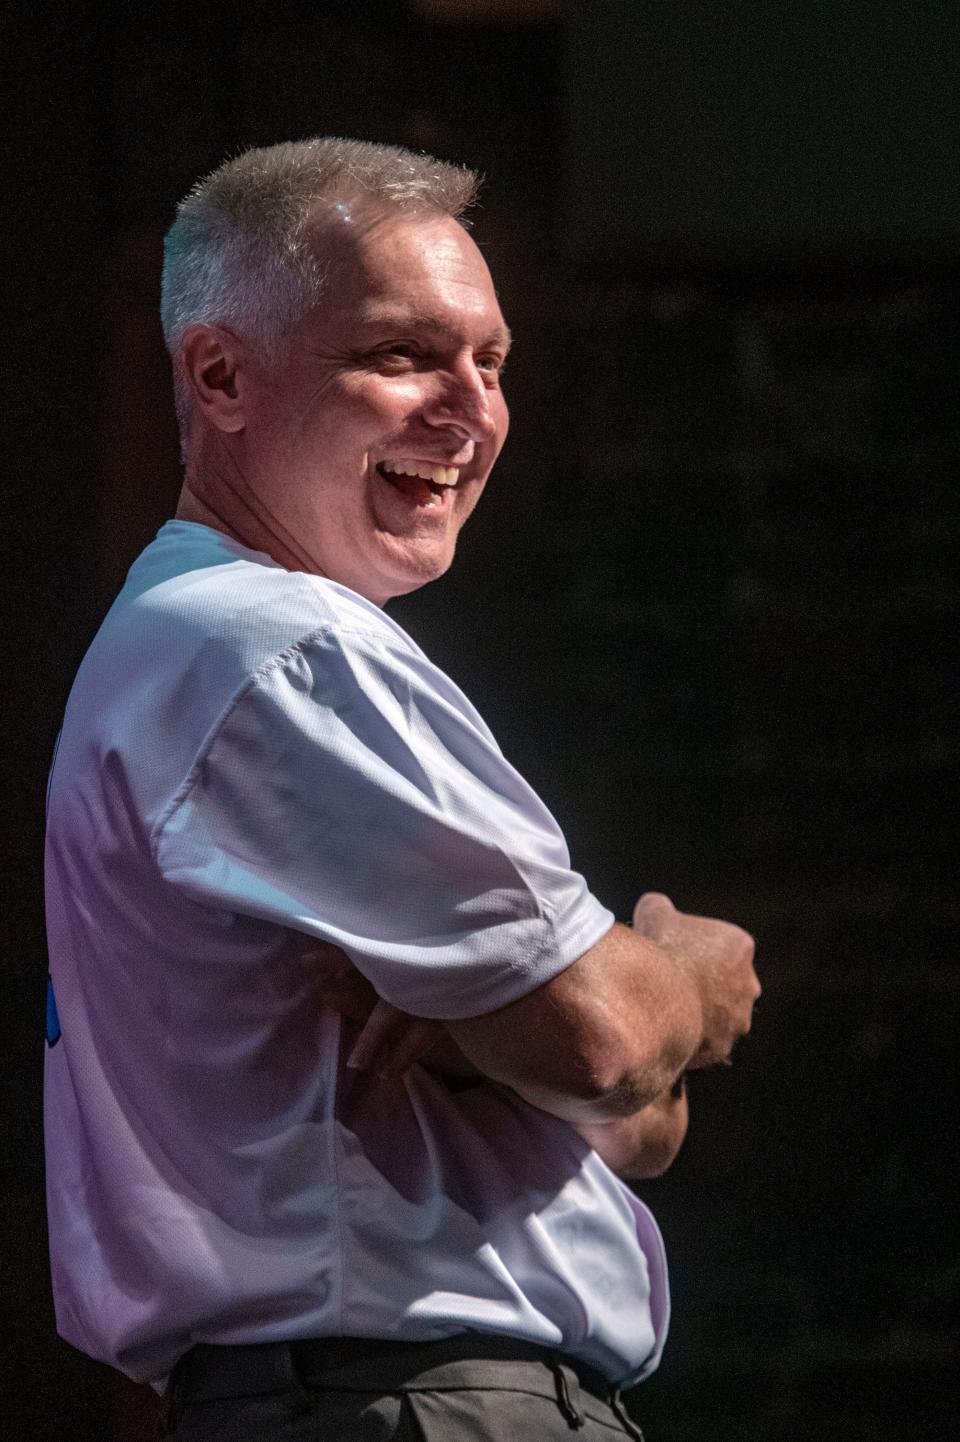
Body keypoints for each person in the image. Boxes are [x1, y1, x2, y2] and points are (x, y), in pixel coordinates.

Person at [44, 138, 760, 1441]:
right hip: (412, 1403)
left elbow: (625, 1124)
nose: (471, 410)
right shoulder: (280, 650)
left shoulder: (199, 644)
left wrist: (528, 1035)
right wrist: (688, 970)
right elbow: (605, 1040)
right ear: (218, 374)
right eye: (403, 355)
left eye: (491, 362)